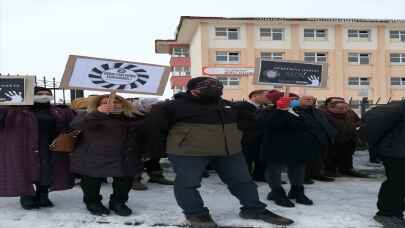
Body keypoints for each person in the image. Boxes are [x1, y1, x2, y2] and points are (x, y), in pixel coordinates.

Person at [147, 77, 294, 227]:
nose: (214, 87)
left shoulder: (229, 106)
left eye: (217, 85)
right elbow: (155, 130)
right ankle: (196, 214)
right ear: (192, 89)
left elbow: (254, 123)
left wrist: (278, 110)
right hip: (188, 152)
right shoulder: (171, 107)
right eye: (207, 85)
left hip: (229, 151)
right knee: (187, 184)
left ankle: (253, 209)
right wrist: (158, 151)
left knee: (243, 182)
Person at [0, 87, 75, 209]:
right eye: (40, 93)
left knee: (46, 170)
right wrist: (7, 105)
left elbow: (73, 124)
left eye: (47, 94)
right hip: (24, 146)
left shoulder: (58, 111)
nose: (44, 96)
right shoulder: (16, 110)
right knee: (25, 170)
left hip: (48, 145)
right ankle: (26, 196)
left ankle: (43, 195)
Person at [70, 95, 143, 216]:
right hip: (94, 155)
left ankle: (118, 202)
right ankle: (93, 203)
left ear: (123, 103)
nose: (111, 104)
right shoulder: (89, 114)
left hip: (125, 155)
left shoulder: (133, 116)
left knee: (124, 182)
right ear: (98, 105)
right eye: (105, 102)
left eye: (115, 101)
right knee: (91, 182)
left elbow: (143, 134)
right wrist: (98, 113)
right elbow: (76, 125)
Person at [259, 94, 316, 208]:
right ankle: (277, 192)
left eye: (294, 99)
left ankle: (297, 191)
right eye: (290, 99)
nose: (292, 101)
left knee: (298, 168)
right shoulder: (269, 111)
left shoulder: (298, 111)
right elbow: (271, 124)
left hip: (297, 146)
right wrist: (281, 111)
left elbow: (308, 124)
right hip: (275, 146)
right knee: (274, 169)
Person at [359, 101, 405, 227]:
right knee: (397, 183)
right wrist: (377, 148)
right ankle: (386, 214)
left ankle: (395, 210)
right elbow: (372, 130)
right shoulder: (396, 108)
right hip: (396, 154)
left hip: (398, 151)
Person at [131, 97, 173, 191]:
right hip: (137, 142)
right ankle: (134, 179)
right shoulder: (132, 114)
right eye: (153, 106)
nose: (156, 108)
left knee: (154, 159)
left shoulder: (159, 114)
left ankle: (156, 177)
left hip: (154, 141)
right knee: (136, 161)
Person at [293, 96, 337, 183]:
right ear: (299, 101)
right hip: (303, 138)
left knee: (318, 158)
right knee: (304, 159)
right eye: (307, 99)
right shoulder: (294, 111)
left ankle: (317, 174)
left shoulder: (317, 111)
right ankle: (303, 177)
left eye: (311, 99)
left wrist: (331, 133)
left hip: (320, 138)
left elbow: (325, 123)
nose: (309, 100)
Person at [234, 90, 270, 182]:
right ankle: (244, 179)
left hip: (262, 139)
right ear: (255, 96)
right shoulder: (240, 106)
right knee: (247, 160)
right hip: (247, 138)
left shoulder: (266, 108)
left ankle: (259, 176)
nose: (269, 97)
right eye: (266, 95)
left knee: (261, 158)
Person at [324, 101, 367, 178]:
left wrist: (356, 127)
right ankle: (330, 170)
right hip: (335, 140)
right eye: (341, 108)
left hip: (350, 139)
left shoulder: (349, 114)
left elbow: (358, 121)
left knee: (348, 155)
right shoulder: (326, 116)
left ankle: (347, 169)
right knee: (333, 155)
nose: (344, 109)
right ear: (331, 108)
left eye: (346, 108)